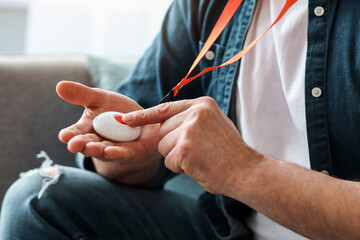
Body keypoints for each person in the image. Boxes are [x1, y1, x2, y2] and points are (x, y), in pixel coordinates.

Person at [1, 0, 360, 239]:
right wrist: (131, 152)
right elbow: (133, 148)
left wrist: (247, 173)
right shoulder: (211, 6)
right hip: (233, 230)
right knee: (37, 201)